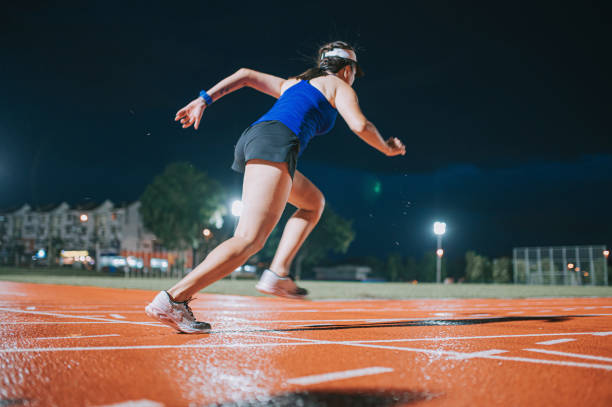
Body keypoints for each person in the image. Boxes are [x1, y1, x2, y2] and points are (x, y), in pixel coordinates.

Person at [145, 41, 406, 333]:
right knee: (249, 239)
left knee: (312, 203)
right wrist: (387, 148)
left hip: (260, 138)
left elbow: (245, 74)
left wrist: (204, 99)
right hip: (276, 141)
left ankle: (277, 273)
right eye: (355, 72)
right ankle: (173, 298)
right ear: (347, 70)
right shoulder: (338, 85)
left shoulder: (293, 83)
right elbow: (361, 125)